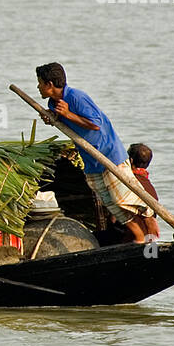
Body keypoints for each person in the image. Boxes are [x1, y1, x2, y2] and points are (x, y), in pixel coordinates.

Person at [34, 62, 153, 243]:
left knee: (123, 198)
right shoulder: (54, 102)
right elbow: (71, 125)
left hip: (108, 154)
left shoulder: (76, 97)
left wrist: (67, 114)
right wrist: (54, 118)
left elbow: (95, 124)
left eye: (40, 82)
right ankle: (137, 236)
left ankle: (150, 217)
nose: (38, 87)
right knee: (111, 204)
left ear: (50, 84)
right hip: (91, 161)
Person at [127, 143, 161, 240]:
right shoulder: (148, 185)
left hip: (129, 236)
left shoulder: (128, 181)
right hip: (148, 236)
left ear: (130, 160)